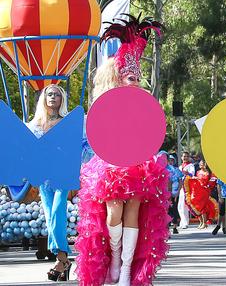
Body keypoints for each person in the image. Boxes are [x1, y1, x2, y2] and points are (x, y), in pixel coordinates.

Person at [75, 15, 170, 286]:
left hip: (140, 165)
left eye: (137, 78)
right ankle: (115, 257)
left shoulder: (144, 103)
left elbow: (150, 133)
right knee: (112, 213)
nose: (135, 82)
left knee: (133, 212)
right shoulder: (106, 103)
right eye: (130, 77)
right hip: (110, 165)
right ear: (119, 77)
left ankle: (126, 268)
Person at [27, 85, 71, 281]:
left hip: (62, 174)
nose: (53, 97)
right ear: (44, 99)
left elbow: (79, 146)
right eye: (49, 94)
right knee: (49, 215)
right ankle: (63, 260)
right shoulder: (34, 124)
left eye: (57, 94)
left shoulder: (68, 122)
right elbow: (25, 149)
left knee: (56, 211)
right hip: (44, 177)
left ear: (62, 100)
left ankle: (61, 258)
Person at [184, 159, 219, 230]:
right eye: (200, 164)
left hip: (205, 191)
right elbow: (197, 180)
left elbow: (212, 180)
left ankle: (204, 223)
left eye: (202, 164)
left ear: (205, 164)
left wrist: (208, 186)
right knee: (197, 206)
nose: (201, 165)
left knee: (203, 207)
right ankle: (201, 222)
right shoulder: (198, 172)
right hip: (198, 191)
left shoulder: (208, 172)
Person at [166, 155, 183, 234]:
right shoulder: (165, 169)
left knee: (175, 208)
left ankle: (175, 227)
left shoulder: (177, 170)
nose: (171, 162)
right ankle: (167, 228)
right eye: (169, 160)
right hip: (166, 193)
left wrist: (178, 192)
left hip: (175, 193)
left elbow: (180, 182)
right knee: (167, 210)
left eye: (172, 160)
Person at [177, 151, 195, 229]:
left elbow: (192, 174)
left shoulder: (190, 166)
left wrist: (184, 172)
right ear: (181, 157)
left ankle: (184, 223)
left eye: (186, 156)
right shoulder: (180, 167)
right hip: (181, 188)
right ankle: (184, 222)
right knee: (180, 206)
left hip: (187, 188)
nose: (185, 158)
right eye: (184, 156)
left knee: (183, 206)